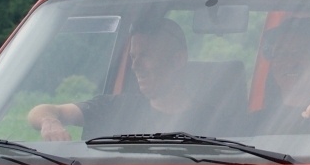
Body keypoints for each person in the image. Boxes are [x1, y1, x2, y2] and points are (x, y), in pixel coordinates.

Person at [28, 17, 201, 140]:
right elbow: (42, 111)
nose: (135, 66)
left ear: (178, 60)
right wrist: (49, 121)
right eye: (133, 57)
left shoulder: (212, 119)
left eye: (146, 56)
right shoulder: (113, 109)